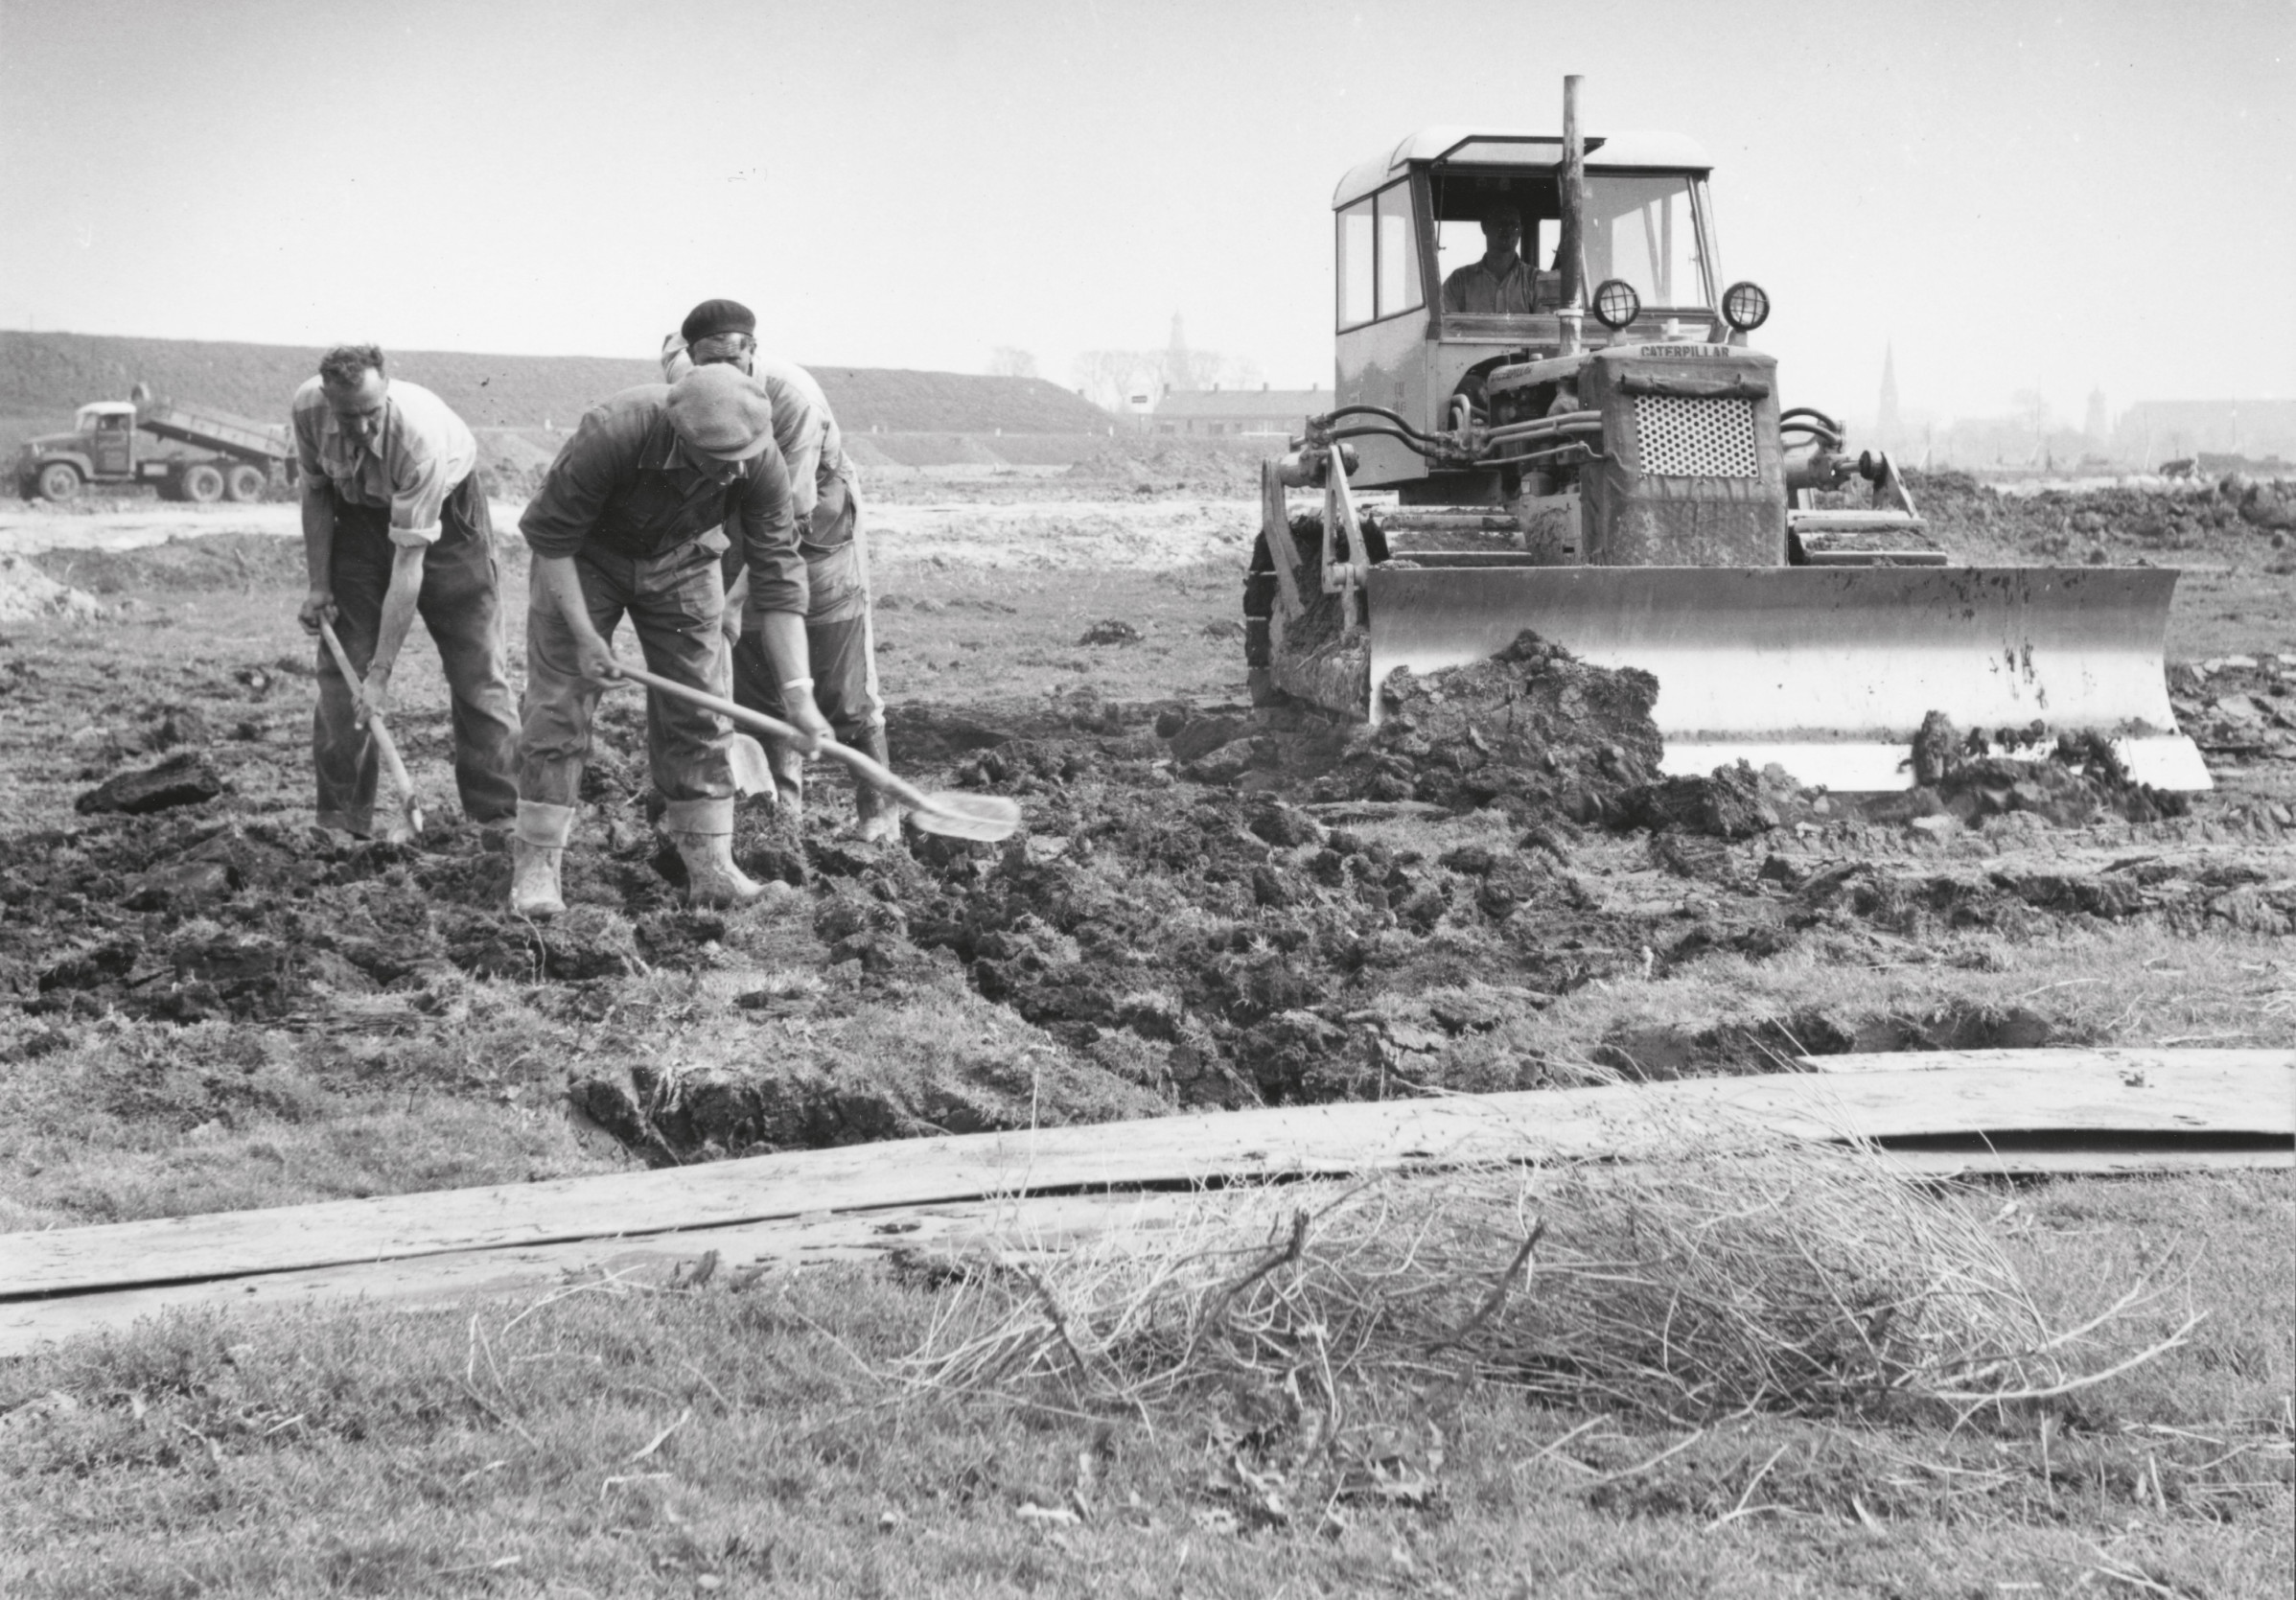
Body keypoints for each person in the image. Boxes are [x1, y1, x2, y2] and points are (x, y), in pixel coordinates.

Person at [510, 363, 829, 916]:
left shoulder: (760, 461)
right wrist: (586, 637)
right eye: (720, 464)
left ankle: (711, 867)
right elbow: (551, 540)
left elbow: (778, 584)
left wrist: (799, 696)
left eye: (744, 460)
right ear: (683, 440)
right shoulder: (614, 430)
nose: (734, 476)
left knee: (700, 707)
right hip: (586, 559)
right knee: (559, 705)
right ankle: (537, 867)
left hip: (684, 558)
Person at [662, 298, 896, 841]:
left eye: (732, 362)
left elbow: (790, 516)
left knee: (835, 669)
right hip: (739, 512)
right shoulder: (686, 378)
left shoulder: (791, 399)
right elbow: (670, 348)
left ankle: (878, 813)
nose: (719, 377)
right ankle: (779, 815)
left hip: (816, 518)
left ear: (754, 352)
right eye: (705, 366)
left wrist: (736, 598)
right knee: (752, 665)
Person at [291, 344, 519, 839]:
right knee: (342, 674)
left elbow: (408, 563)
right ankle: (341, 823)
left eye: (372, 413)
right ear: (328, 400)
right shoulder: (307, 409)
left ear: (386, 393)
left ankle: (500, 813)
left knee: (477, 667)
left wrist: (382, 674)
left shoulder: (419, 441)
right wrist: (319, 585)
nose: (362, 428)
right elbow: (315, 491)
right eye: (348, 416)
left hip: (448, 524)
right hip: (358, 518)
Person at [1440, 204, 1540, 315]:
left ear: (1520, 230)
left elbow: (1548, 327)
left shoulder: (1536, 280)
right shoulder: (1459, 281)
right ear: (1484, 227)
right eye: (1500, 223)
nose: (1507, 230)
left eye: (1513, 225)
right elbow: (1445, 325)